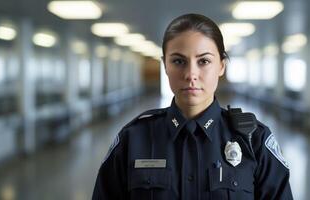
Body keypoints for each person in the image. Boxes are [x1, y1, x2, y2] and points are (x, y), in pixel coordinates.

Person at [92, 13, 293, 200]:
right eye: (178, 61)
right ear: (165, 66)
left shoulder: (254, 140)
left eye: (204, 61)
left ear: (221, 65)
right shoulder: (133, 138)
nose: (191, 74)